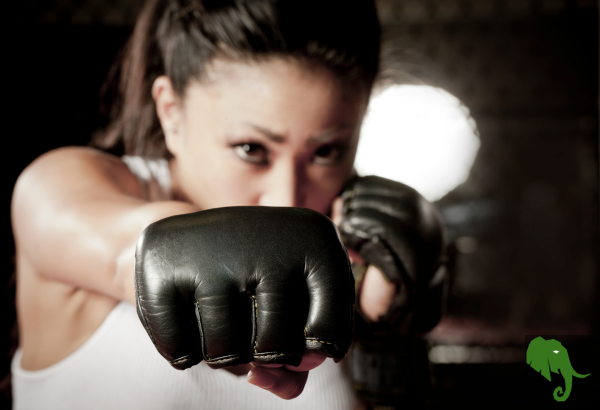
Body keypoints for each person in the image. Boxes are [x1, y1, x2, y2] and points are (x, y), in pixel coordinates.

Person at [10, 0, 445, 409]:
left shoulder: (356, 240)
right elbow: (125, 247)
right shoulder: (64, 185)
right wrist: (193, 263)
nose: (286, 198)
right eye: (251, 148)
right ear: (171, 112)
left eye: (326, 152)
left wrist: (387, 330)